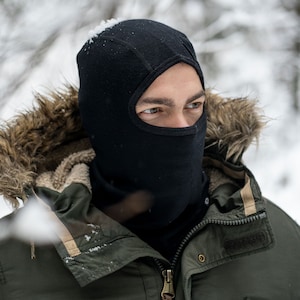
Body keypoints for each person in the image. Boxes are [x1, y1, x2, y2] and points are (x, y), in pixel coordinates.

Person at [0, 19, 299, 300]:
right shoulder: (14, 263)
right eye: (155, 110)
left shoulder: (275, 238)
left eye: (194, 105)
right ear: (105, 122)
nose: (184, 127)